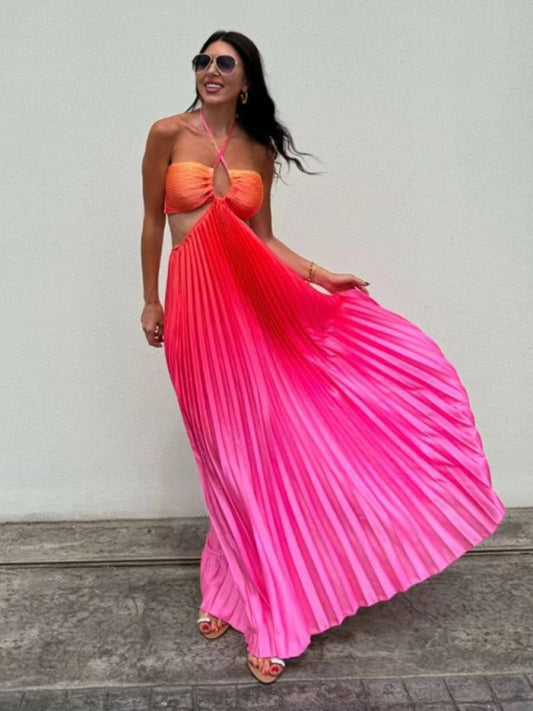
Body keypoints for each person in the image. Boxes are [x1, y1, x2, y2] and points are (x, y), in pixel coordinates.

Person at [140, 30, 506, 685]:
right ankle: (228, 583)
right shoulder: (167, 132)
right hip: (194, 312)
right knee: (220, 452)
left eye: (225, 63)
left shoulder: (256, 148)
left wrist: (320, 274)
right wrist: (150, 300)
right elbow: (149, 222)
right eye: (203, 61)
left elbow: (264, 239)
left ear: (245, 80)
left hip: (250, 311)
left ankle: (267, 609)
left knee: (256, 451)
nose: (210, 70)